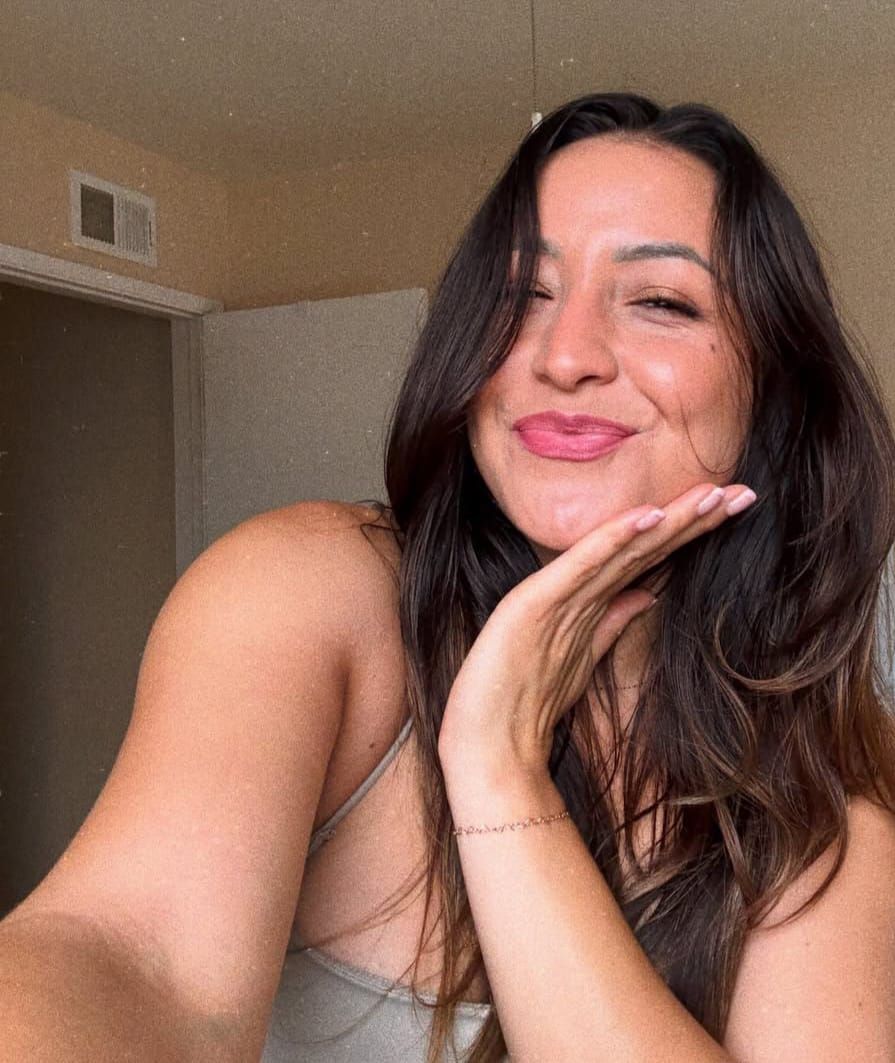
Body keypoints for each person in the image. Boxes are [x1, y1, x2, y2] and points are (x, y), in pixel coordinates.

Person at [2, 91, 894, 1063]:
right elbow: (133, 958)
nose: (563, 356)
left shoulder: (819, 785)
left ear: (775, 389)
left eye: (661, 302)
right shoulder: (311, 587)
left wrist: (497, 767)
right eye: (521, 296)